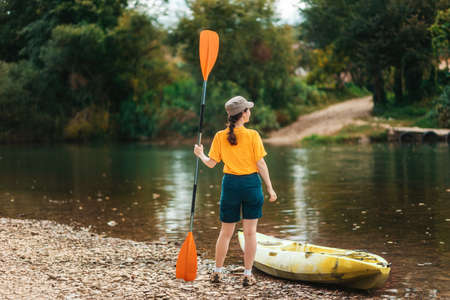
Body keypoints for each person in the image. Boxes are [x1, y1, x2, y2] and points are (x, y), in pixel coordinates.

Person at [193, 95, 277, 287]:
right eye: (248, 109)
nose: (250, 112)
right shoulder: (253, 135)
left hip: (230, 185)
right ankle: (247, 274)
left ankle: (217, 272)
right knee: (250, 233)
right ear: (243, 114)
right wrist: (270, 188)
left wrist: (200, 155)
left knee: (225, 232)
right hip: (251, 185)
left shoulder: (219, 136)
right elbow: (261, 164)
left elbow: (212, 164)